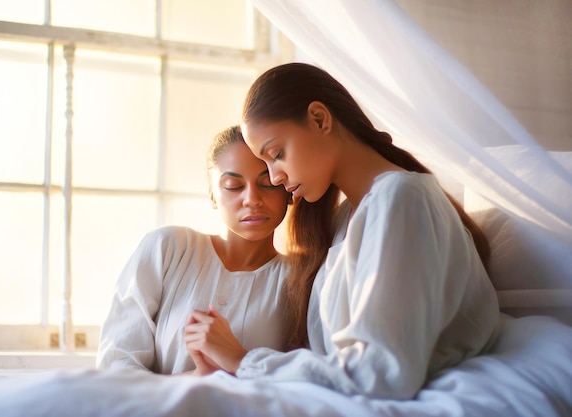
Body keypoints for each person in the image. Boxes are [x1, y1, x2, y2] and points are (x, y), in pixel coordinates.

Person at [183, 63, 500, 399]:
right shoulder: (344, 219)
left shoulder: (402, 199)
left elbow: (379, 374)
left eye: (277, 154)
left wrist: (243, 360)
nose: (275, 177)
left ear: (320, 119)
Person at [97, 125, 292, 375]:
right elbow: (115, 368)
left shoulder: (300, 279)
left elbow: (306, 385)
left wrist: (237, 361)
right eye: (233, 185)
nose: (252, 199)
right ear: (212, 195)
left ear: (288, 189)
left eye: (268, 183)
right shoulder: (167, 249)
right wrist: (196, 378)